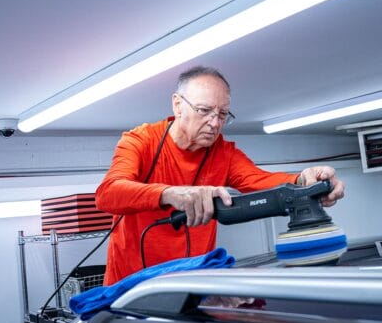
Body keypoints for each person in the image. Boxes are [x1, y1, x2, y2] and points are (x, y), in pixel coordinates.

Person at [95, 66, 345, 285]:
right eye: (204, 110)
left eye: (223, 114)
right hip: (130, 287)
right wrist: (170, 194)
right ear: (178, 105)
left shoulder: (224, 153)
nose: (215, 123)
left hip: (191, 283)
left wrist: (305, 181)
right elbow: (108, 194)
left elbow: (260, 180)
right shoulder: (140, 141)